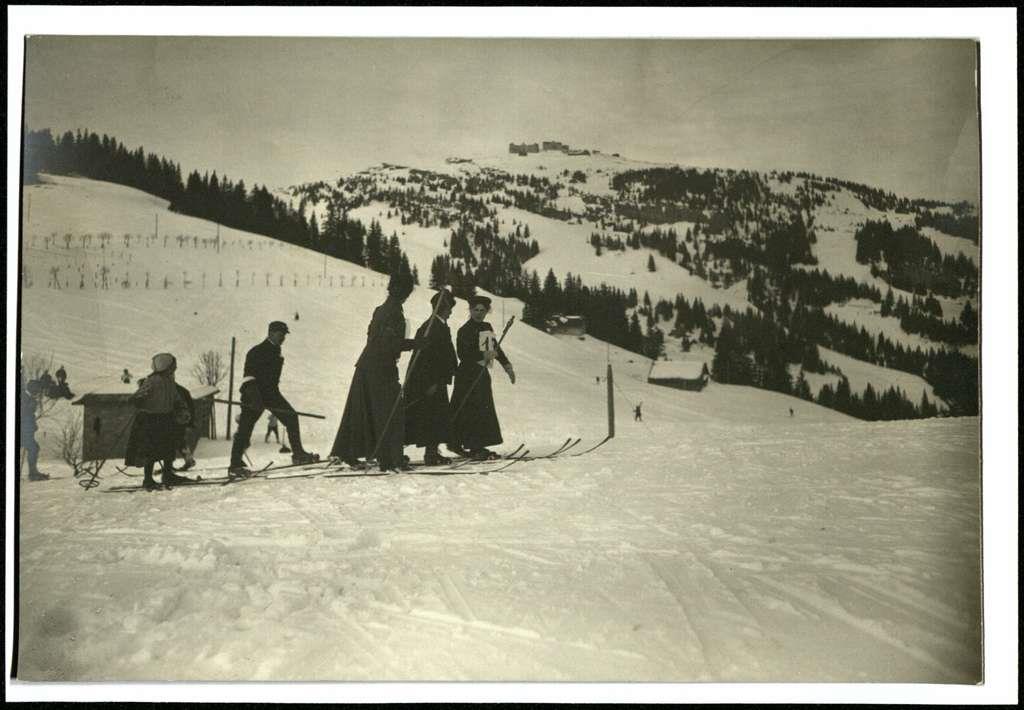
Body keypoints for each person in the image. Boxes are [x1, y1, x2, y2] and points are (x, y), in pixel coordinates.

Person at [331, 271, 420, 471]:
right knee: (391, 411)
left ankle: (380, 456)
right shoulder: (393, 311)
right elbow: (389, 343)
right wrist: (416, 343)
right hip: (380, 368)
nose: (405, 294)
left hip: (368, 366)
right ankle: (390, 459)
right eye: (404, 291)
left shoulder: (382, 309)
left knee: (369, 410)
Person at [229, 321, 318, 475]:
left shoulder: (276, 351)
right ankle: (235, 465)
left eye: (284, 335)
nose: (282, 337)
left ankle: (298, 454)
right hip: (254, 394)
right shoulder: (256, 351)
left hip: (271, 394)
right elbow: (248, 376)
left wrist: (270, 396)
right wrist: (254, 396)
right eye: (280, 334)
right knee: (245, 427)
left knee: (291, 417)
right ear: (270, 332)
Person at [449, 295, 515, 460]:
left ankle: (474, 444)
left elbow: (495, 348)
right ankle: (469, 445)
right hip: (467, 375)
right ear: (470, 310)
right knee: (470, 409)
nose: (479, 313)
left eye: (482, 310)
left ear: (487, 312)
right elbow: (463, 354)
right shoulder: (465, 330)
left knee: (482, 409)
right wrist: (483, 354)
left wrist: (507, 366)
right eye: (475, 310)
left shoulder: (486, 327)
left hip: (481, 374)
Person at [404, 288, 459, 465]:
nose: (450, 311)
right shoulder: (431, 328)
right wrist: (432, 382)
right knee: (430, 416)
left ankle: (432, 452)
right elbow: (427, 359)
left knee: (435, 416)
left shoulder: (438, 325)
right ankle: (429, 454)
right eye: (449, 307)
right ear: (442, 308)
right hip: (429, 382)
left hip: (436, 380)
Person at [124, 353, 193, 490]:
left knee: (169, 448)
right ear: (165, 365)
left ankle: (168, 475)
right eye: (173, 365)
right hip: (151, 420)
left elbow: (177, 399)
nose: (175, 368)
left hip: (166, 418)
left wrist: (183, 410)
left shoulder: (170, 381)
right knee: (151, 450)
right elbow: (137, 397)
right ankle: (148, 480)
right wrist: (139, 401)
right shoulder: (152, 380)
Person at [20, 374, 49, 481]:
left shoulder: (27, 397)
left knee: (34, 448)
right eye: (37, 391)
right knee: (33, 448)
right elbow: (24, 415)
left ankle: (33, 473)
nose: (38, 393)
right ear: (33, 390)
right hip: (24, 430)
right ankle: (33, 474)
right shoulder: (25, 398)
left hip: (27, 429)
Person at [173, 383, 197, 471]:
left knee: (175, 441)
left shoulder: (173, 389)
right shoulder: (180, 389)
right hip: (182, 419)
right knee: (180, 441)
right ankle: (188, 460)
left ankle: (168, 467)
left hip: (178, 419)